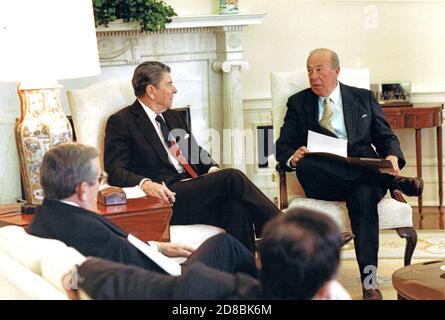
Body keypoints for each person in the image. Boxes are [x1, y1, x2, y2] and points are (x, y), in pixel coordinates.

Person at [275, 48, 423, 300]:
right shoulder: (298, 103)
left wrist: (392, 157)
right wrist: (293, 156)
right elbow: (282, 146)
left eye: (319, 69)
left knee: (364, 196)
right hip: (322, 177)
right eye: (309, 70)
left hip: (362, 173)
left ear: (336, 71)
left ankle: (369, 284)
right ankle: (392, 181)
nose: (313, 76)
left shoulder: (363, 98)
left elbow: (386, 137)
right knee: (309, 165)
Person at [104, 61, 281, 253]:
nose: (175, 89)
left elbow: (195, 154)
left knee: (236, 208)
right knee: (233, 177)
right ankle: (286, 231)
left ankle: (246, 276)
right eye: (169, 84)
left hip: (192, 191)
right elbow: (115, 171)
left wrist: (212, 170)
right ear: (151, 90)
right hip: (166, 197)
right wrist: (145, 183)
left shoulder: (173, 117)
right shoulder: (122, 121)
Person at [29, 143, 257, 279]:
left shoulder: (44, 218)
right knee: (225, 245)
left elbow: (117, 250)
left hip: (155, 266)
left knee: (233, 214)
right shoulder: (85, 228)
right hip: (168, 284)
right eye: (98, 179)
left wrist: (157, 246)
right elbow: (123, 259)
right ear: (82, 189)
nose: (100, 185)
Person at [68, 207, 349, 300]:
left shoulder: (205, 287)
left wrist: (82, 272)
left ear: (261, 260)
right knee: (224, 243)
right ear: (326, 290)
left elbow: (128, 283)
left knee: (222, 244)